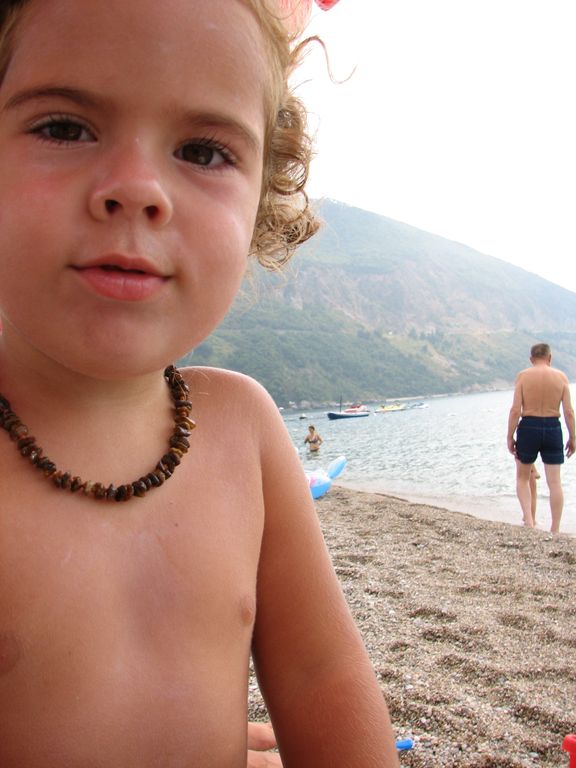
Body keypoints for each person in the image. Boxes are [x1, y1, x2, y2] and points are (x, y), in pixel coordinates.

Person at [0, 1, 400, 766]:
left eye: (203, 150)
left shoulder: (244, 428)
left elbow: (321, 675)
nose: (136, 189)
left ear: (262, 201)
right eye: (65, 128)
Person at [507, 343, 575, 533]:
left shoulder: (523, 376)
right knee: (555, 483)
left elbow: (515, 410)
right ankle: (555, 529)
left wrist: (510, 436)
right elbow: (569, 412)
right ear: (549, 357)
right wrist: (573, 436)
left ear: (531, 359)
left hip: (529, 426)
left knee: (522, 478)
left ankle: (529, 522)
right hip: (553, 427)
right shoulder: (561, 377)